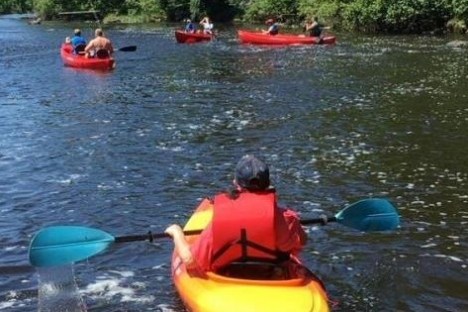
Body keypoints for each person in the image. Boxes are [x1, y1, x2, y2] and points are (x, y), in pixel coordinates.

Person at [165, 154, 307, 275]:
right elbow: (301, 242)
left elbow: (190, 261)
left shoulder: (221, 219)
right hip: (271, 274)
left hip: (227, 275)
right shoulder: (286, 218)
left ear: (236, 183)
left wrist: (177, 232)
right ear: (268, 183)